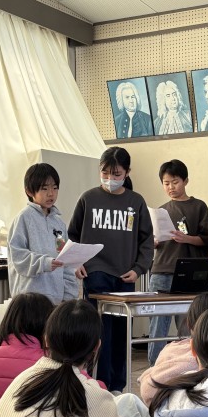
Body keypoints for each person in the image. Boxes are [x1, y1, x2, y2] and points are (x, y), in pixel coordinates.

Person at [0, 299, 158, 417]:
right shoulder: (84, 392)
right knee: (127, 416)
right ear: (96, 346)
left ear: (46, 339)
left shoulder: (26, 377)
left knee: (128, 402)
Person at [68, 147, 154, 392]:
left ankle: (117, 385)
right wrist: (77, 262)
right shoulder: (88, 198)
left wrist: (139, 269)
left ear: (127, 172)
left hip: (125, 276)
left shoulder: (136, 201)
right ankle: (99, 384)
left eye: (116, 174)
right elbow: (72, 235)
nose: (110, 178)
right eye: (105, 173)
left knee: (121, 333)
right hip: (95, 273)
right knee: (99, 333)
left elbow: (146, 241)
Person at [147, 159, 208, 365]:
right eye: (166, 183)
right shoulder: (161, 210)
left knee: (188, 326)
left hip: (189, 273)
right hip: (161, 271)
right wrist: (153, 242)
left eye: (175, 182)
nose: (171, 187)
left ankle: (188, 367)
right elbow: (151, 240)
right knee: (157, 326)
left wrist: (186, 238)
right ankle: (154, 367)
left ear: (186, 181)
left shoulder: (198, 206)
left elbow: (206, 240)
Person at [7, 163, 78, 305]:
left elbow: (65, 262)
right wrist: (45, 263)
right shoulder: (23, 218)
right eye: (44, 188)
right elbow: (18, 257)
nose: (51, 193)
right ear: (29, 191)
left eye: (55, 188)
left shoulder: (59, 224)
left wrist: (69, 297)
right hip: (29, 300)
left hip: (56, 301)